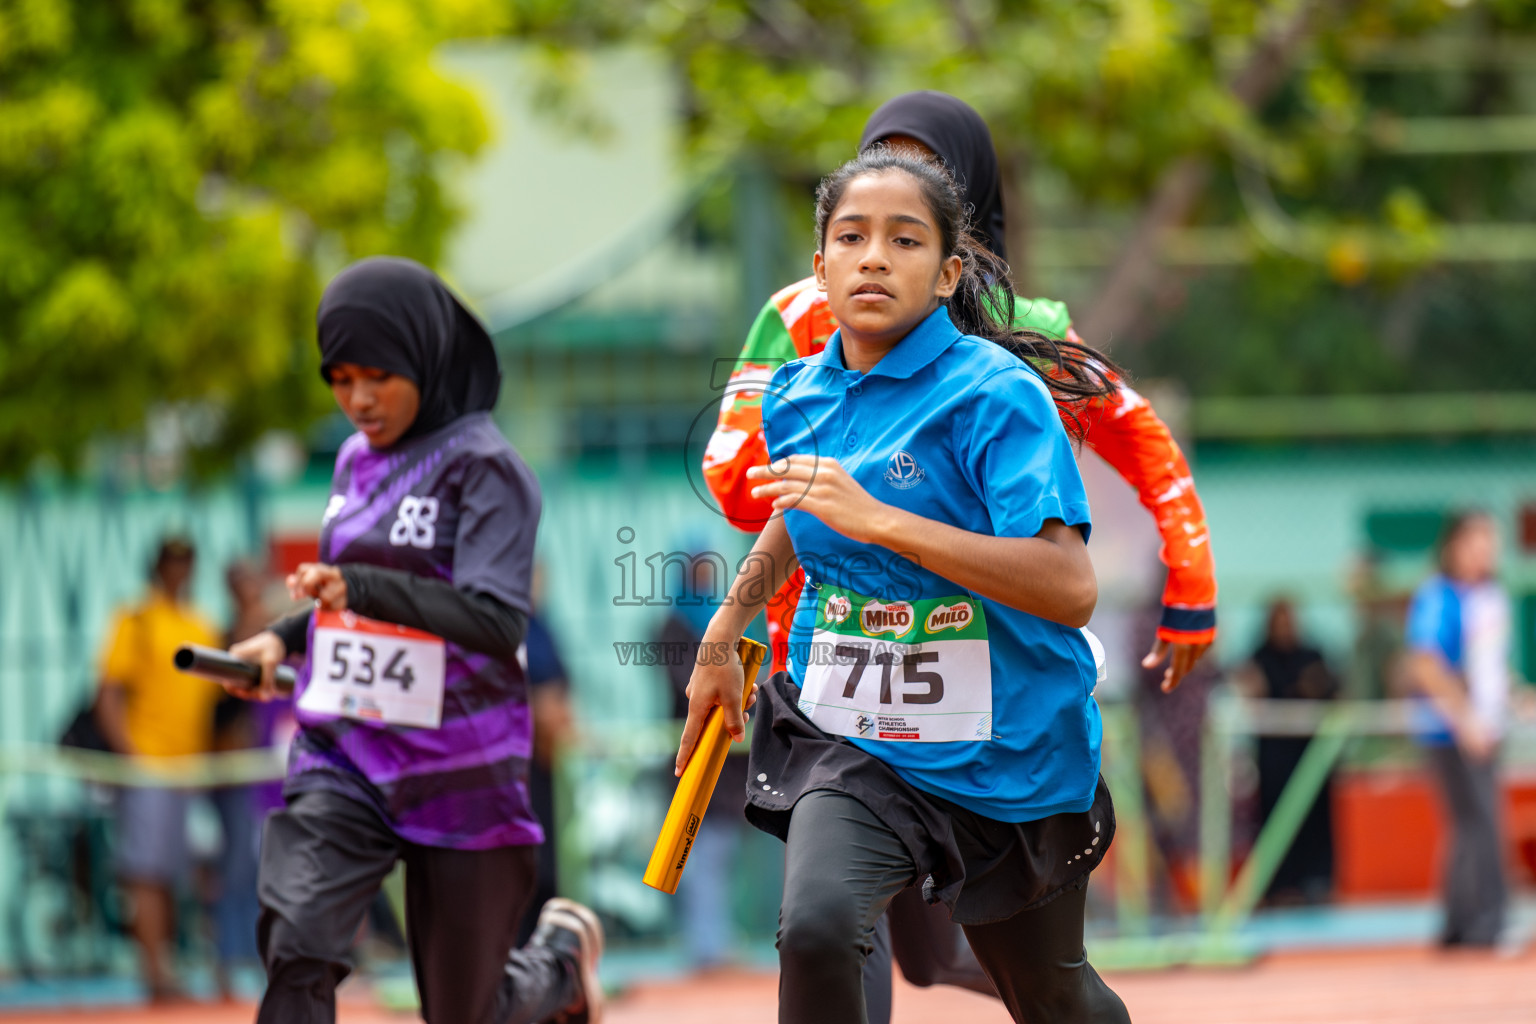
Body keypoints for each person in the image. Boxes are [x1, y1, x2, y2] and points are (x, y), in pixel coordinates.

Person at [702, 89, 1216, 1009]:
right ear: (819, 268)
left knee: (1049, 994)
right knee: (816, 928)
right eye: (852, 236)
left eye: (906, 237)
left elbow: (1069, 586)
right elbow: (792, 515)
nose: (874, 257)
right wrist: (723, 640)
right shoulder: (795, 389)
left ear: (950, 268)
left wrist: (886, 521)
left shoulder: (1003, 392)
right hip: (857, 736)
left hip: (1005, 745)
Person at [224, 257, 604, 1024]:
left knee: (467, 1011)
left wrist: (357, 587)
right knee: (296, 945)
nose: (358, 400)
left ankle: (559, 971)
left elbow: (496, 622)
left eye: (378, 377)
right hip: (349, 753)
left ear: (426, 356)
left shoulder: (489, 468)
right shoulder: (352, 461)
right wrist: (281, 639)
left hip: (460, 769)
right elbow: (348, 599)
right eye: (340, 378)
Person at [95, 536, 223, 1003]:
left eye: (186, 561)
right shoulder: (137, 619)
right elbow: (108, 692)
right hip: (149, 765)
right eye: (172, 562)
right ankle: (154, 975)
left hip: (190, 769)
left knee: (177, 872)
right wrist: (132, 756)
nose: (180, 570)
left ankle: (172, 969)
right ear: (158, 567)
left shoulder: (201, 624)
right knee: (146, 872)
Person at [1405, 510, 1511, 948]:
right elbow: (1425, 663)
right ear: (1452, 547)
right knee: (1479, 824)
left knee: (1471, 825)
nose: (1485, 550)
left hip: (1482, 725)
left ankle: (1460, 923)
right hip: (1451, 731)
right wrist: (1465, 717)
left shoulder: (1487, 596)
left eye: (1490, 540)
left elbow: (1485, 668)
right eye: (1475, 540)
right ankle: (1485, 921)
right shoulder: (1438, 596)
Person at [1243, 598, 1338, 904]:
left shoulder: (1313, 655)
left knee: (1315, 820)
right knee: (1274, 818)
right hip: (1274, 760)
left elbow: (1329, 689)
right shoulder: (1259, 658)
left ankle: (1318, 881)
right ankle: (1278, 884)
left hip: (1308, 757)